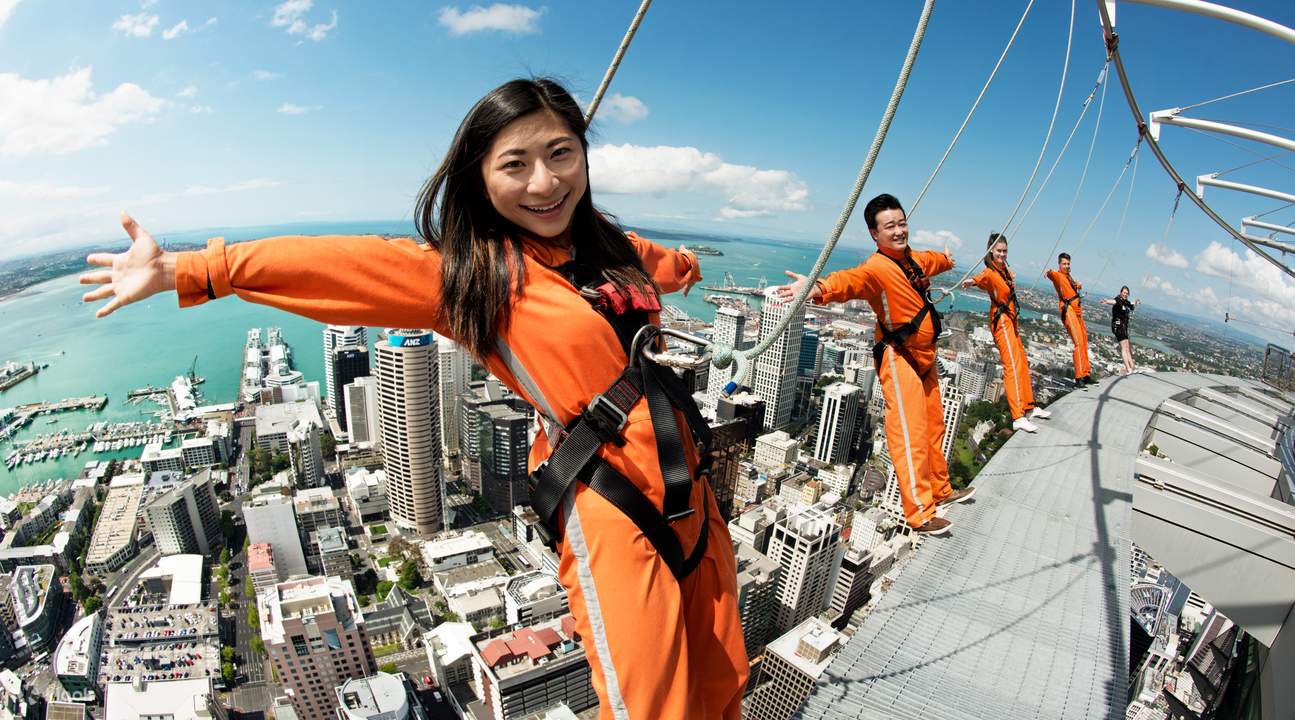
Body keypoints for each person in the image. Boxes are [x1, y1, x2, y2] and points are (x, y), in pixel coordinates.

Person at [80, 78, 747, 718]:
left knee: (721, 683)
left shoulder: (604, 243)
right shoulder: (472, 275)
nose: (544, 182)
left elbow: (655, 263)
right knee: (651, 706)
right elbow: (338, 263)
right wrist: (188, 269)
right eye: (514, 164)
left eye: (560, 154)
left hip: (691, 496)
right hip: (611, 510)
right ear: (479, 178)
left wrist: (685, 267)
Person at [775, 193, 975, 537]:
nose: (898, 231)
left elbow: (933, 261)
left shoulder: (913, 260)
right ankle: (920, 514)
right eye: (889, 226)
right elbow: (849, 281)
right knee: (910, 430)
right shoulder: (876, 269)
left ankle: (941, 490)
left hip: (925, 355)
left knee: (934, 427)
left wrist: (947, 259)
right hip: (899, 357)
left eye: (901, 223)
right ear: (874, 234)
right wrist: (816, 287)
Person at [961, 233, 1051, 433]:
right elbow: (981, 278)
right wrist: (971, 282)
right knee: (1011, 364)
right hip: (1001, 320)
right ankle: (1018, 415)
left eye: (1004, 251)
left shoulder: (1005, 271)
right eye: (998, 251)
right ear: (991, 251)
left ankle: (1029, 406)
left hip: (1011, 320)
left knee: (1021, 361)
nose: (1002, 254)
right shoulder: (991, 272)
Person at [1045, 252, 1094, 386]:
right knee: (1078, 341)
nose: (1066, 266)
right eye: (1064, 264)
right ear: (1059, 264)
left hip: (1076, 309)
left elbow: (1071, 286)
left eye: (1068, 264)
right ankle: (1079, 377)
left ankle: (1086, 374)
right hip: (1069, 309)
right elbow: (1052, 275)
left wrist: (1077, 285)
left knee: (1083, 340)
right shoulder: (1059, 275)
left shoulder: (1068, 277)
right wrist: (1048, 272)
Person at [1101, 286, 1141, 375]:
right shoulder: (1118, 300)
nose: (1125, 294)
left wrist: (1136, 303)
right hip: (1118, 326)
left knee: (1127, 347)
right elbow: (1114, 302)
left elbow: (1131, 305)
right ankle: (1128, 368)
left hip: (1123, 327)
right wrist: (1107, 301)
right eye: (1124, 292)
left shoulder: (1126, 302)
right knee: (1124, 347)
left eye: (1127, 293)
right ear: (1121, 292)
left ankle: (1132, 367)